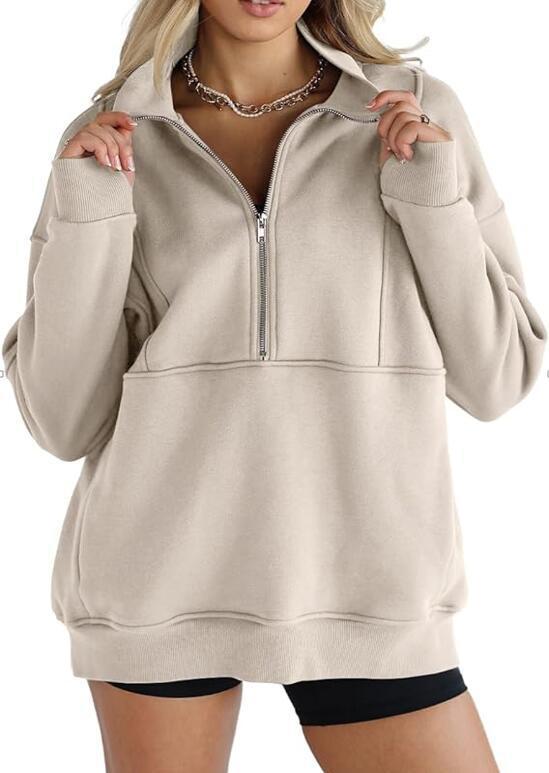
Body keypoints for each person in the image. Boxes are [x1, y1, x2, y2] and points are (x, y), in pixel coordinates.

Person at [2, 0, 546, 770]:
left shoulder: (408, 110)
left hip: (365, 583)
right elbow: (63, 421)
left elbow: (498, 376)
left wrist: (429, 199)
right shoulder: (115, 133)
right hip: (160, 581)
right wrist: (89, 216)